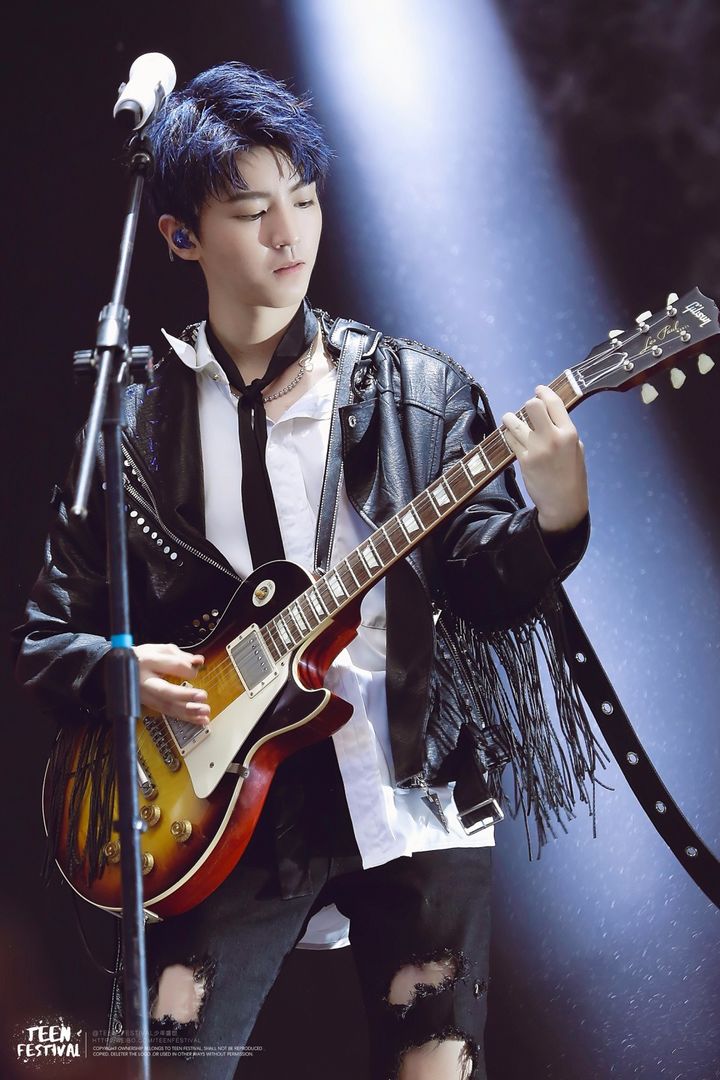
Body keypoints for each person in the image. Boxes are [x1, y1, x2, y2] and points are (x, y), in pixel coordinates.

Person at [14, 62, 602, 1080]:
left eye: (305, 198)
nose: (289, 233)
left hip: (411, 793)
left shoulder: (421, 392)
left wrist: (556, 510)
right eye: (252, 211)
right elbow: (44, 640)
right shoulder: (133, 425)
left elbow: (489, 589)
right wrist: (119, 672)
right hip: (214, 815)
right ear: (181, 237)